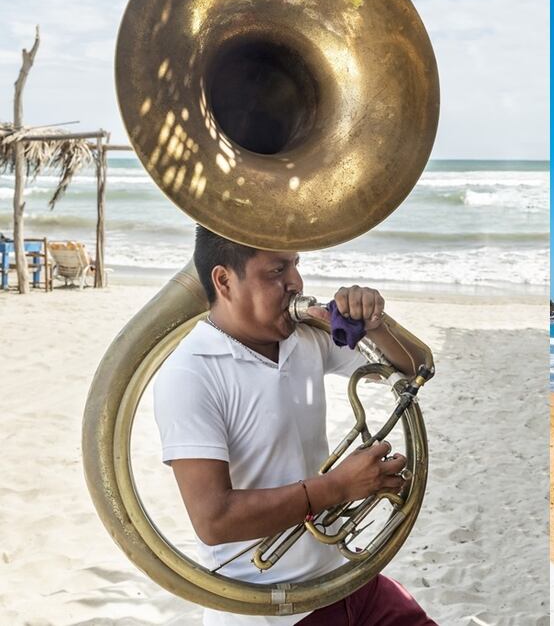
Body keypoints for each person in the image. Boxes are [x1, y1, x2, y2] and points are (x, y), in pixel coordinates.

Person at [154, 226, 434, 626]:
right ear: (224, 280)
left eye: (296, 265)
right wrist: (338, 487)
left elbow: (418, 367)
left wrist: (375, 322)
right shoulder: (189, 374)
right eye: (276, 270)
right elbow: (213, 519)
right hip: (271, 609)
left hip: (346, 580)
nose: (296, 283)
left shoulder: (305, 337)